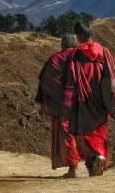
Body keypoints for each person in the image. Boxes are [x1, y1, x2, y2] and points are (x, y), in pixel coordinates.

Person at [62, 21, 115, 177]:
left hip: (84, 99)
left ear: (78, 36)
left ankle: (95, 157)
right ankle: (96, 162)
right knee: (99, 130)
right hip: (101, 98)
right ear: (91, 33)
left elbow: (68, 78)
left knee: (82, 132)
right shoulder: (104, 51)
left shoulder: (75, 54)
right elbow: (113, 75)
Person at [35, 34, 80, 178]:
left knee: (67, 134)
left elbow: (45, 80)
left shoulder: (55, 59)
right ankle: (93, 164)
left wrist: (58, 97)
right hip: (83, 103)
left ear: (62, 45)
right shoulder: (82, 58)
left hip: (64, 105)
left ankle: (73, 169)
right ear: (75, 45)